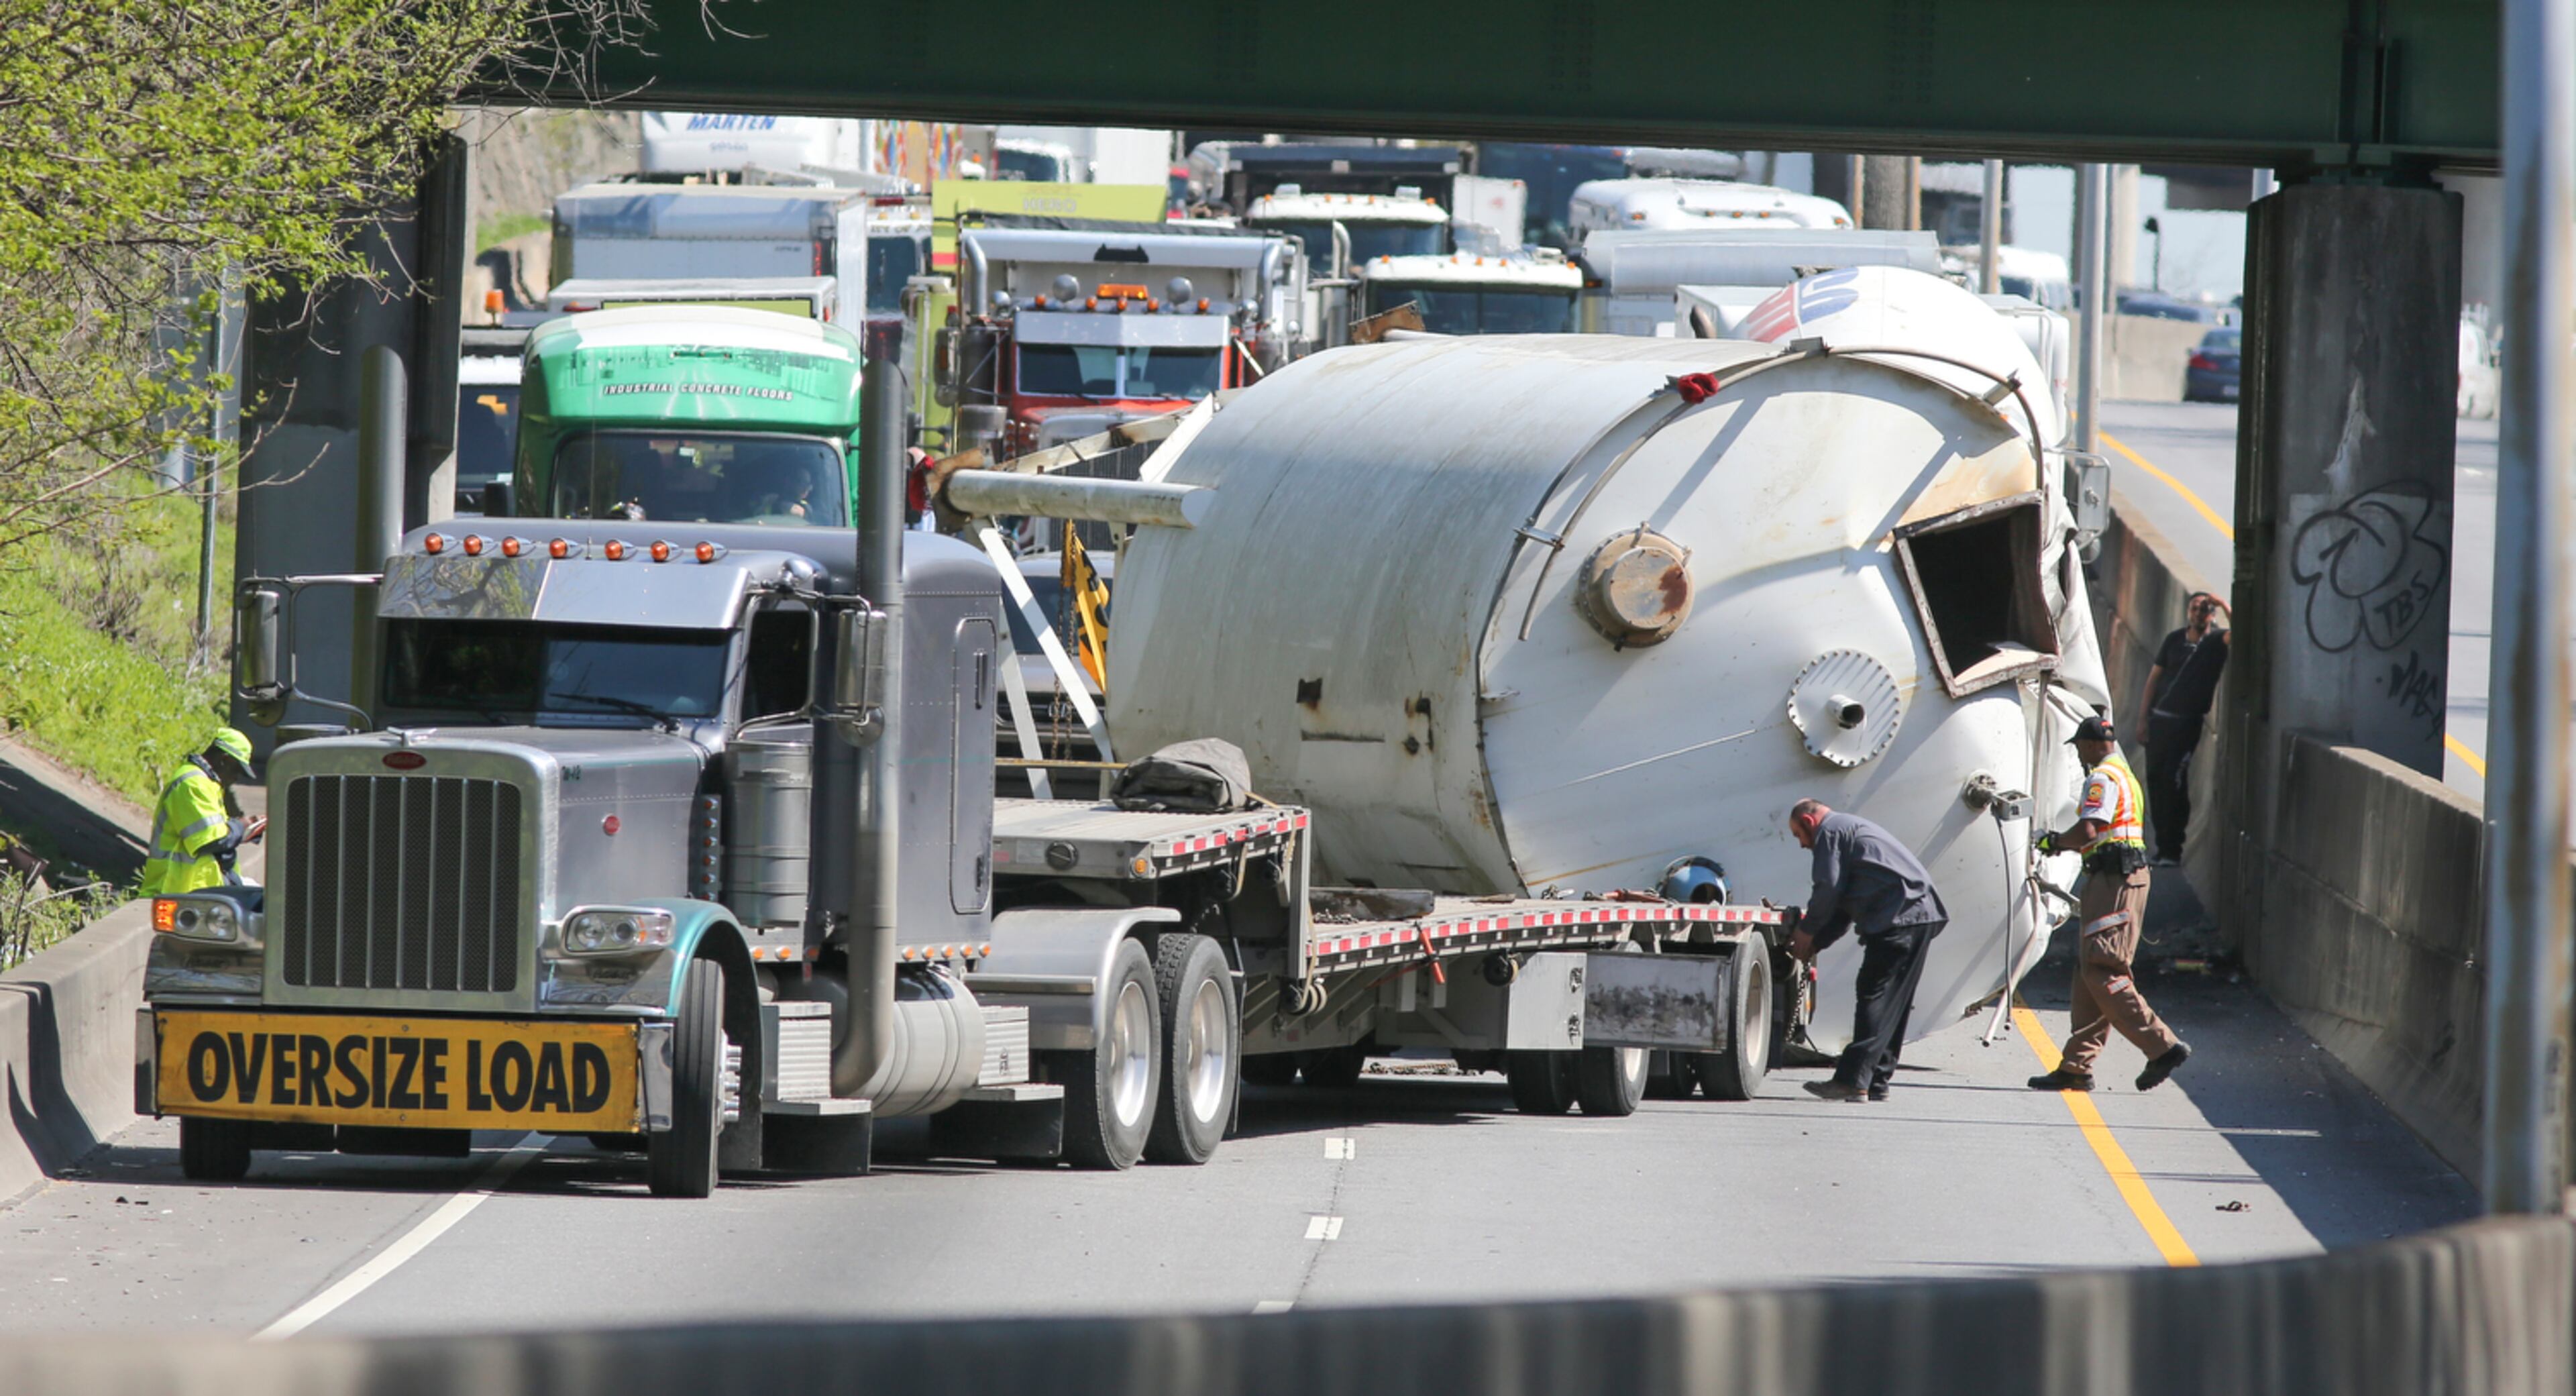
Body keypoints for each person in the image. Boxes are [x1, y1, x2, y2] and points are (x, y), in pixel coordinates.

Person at [2029, 716, 2192, 1093]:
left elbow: (2089, 831)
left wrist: (2052, 842)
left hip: (2115, 881)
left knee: (2104, 968)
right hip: (2116, 877)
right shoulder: (2124, 773)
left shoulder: (2102, 778)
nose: (2080, 755)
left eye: (2079, 748)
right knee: (2091, 969)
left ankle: (2162, 1046)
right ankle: (2076, 1066)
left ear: (2089, 745)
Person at [1785, 800, 1948, 1102]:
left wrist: (1805, 932)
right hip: (1917, 915)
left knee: (1874, 994)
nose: (1801, 845)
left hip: (1901, 918)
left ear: (1809, 822)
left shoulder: (1830, 833)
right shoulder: (1848, 830)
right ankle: (1875, 1081)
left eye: (1798, 835)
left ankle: (1851, 1080)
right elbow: (1842, 909)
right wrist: (1817, 943)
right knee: (1893, 1003)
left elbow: (1828, 888)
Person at [2139, 592, 2230, 866]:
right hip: (2160, 720)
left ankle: (2173, 848)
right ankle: (2161, 845)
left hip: (2186, 723)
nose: (2198, 614)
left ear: (2212, 615)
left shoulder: (2215, 642)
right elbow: (2153, 679)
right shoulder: (2174, 640)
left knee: (2174, 780)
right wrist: (2143, 719)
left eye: (2205, 609)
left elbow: (2241, 635)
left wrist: (2224, 604)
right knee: (2155, 779)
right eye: (2195, 608)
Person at [138, 727, 264, 896]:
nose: (236, 778)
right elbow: (212, 841)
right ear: (224, 760)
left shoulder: (209, 784)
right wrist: (241, 826)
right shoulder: (193, 784)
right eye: (237, 770)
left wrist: (247, 830)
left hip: (196, 890)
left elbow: (218, 834)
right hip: (175, 891)